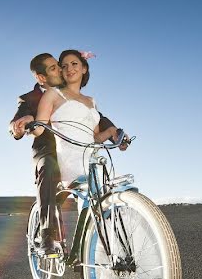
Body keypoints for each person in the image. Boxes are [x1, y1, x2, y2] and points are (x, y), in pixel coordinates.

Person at [9, 53, 121, 251]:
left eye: (59, 66)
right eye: (55, 68)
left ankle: (91, 248)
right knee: (49, 167)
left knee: (99, 185)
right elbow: (21, 119)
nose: (62, 70)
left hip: (83, 148)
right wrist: (23, 122)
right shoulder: (30, 98)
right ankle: (47, 234)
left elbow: (94, 118)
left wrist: (114, 131)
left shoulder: (77, 95)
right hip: (47, 149)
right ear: (41, 77)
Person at [29, 50, 118, 184]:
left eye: (74, 63)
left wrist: (111, 131)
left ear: (84, 68)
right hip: (70, 161)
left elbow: (95, 138)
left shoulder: (91, 101)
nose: (69, 69)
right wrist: (29, 124)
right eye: (64, 66)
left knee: (106, 196)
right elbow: (38, 128)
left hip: (92, 160)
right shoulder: (53, 94)